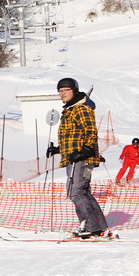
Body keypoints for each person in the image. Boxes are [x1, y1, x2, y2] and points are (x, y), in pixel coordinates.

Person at [45, 77, 108, 238]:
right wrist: (58, 149)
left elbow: (90, 131)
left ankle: (89, 225)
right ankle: (98, 225)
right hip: (76, 157)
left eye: (66, 90)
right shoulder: (71, 109)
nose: (62, 93)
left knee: (75, 192)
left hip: (81, 159)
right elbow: (73, 137)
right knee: (82, 191)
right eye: (60, 91)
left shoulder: (81, 108)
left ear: (74, 90)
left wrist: (85, 150)